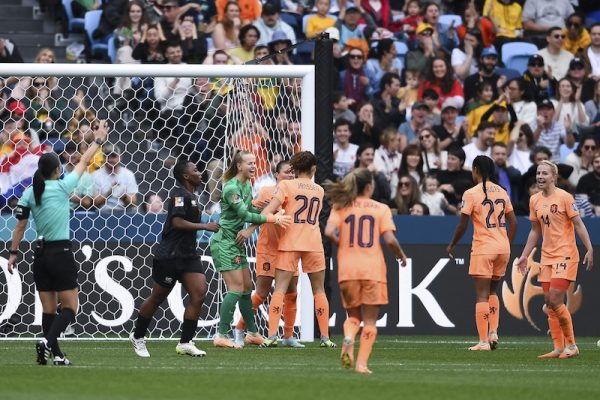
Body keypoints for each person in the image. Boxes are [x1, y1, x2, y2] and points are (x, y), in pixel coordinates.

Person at [7, 120, 108, 365]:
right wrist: (98, 140)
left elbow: (19, 225)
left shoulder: (29, 193)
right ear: (56, 171)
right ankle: (46, 343)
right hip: (60, 252)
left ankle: (57, 355)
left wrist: (13, 253)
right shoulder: (64, 187)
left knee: (49, 310)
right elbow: (84, 162)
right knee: (71, 307)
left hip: (39, 255)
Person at [129, 159, 219, 358]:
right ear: (186, 176)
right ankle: (137, 336)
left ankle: (185, 342)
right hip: (170, 255)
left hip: (189, 255)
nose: (200, 172)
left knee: (199, 293)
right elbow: (177, 222)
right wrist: (205, 226)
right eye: (195, 169)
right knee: (157, 297)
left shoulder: (193, 197)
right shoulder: (179, 194)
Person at [324, 168, 407, 374]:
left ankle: (349, 337)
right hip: (372, 270)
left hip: (348, 270)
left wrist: (342, 244)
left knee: (353, 316)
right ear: (369, 187)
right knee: (370, 321)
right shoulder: (381, 208)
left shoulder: (340, 206)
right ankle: (361, 364)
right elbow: (389, 240)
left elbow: (328, 232)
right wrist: (400, 255)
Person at [209, 151, 291, 348]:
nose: (254, 166)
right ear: (238, 166)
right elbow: (245, 215)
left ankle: (252, 333)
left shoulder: (246, 185)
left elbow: (251, 211)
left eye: (255, 163)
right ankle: (221, 334)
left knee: (246, 289)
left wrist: (271, 209)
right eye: (249, 163)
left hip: (236, 243)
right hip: (224, 243)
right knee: (236, 289)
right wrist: (273, 218)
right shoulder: (231, 187)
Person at [516, 160, 594, 359]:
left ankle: (572, 346)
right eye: (538, 173)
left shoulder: (565, 198)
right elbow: (535, 231)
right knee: (549, 303)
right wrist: (525, 255)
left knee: (554, 299)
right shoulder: (534, 200)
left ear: (554, 177)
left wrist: (589, 249)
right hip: (547, 256)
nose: (540, 177)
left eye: (544, 173)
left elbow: (578, 225)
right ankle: (558, 348)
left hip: (566, 254)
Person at [259, 151, 336, 348]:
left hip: (290, 242)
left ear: (293, 168)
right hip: (313, 243)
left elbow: (267, 212)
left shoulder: (286, 185)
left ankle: (272, 335)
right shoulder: (319, 189)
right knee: (319, 290)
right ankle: (326, 338)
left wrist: (273, 217)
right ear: (313, 169)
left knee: (280, 289)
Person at [447, 155, 517, 351]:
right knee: (493, 291)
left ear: (476, 169)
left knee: (481, 296)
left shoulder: (471, 193)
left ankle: (483, 341)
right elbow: (515, 223)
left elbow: (462, 225)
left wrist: (452, 244)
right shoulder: (502, 192)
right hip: (503, 248)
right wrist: (505, 243)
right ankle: (493, 331)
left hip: (483, 248)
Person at [232, 160, 302, 348]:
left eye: (293, 173)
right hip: (269, 249)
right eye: (287, 172)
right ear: (277, 175)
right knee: (262, 292)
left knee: (292, 292)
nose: (291, 176)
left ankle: (288, 336)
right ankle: (239, 329)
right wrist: (248, 230)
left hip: (290, 249)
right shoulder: (266, 192)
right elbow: (254, 213)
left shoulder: (298, 193)